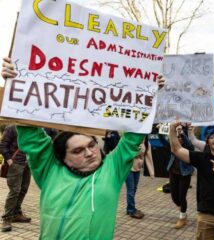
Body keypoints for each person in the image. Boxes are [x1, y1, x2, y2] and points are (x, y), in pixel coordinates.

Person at [1, 57, 161, 239]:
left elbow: (133, 135)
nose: (89, 152)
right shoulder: (49, 170)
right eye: (77, 151)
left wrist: (149, 92)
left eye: (91, 145)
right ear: (62, 158)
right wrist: (19, 80)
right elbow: (31, 136)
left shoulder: (112, 169)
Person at [159, 124, 195, 229]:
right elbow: (163, 141)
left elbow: (191, 146)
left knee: (182, 196)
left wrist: (182, 133)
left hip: (185, 174)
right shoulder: (172, 146)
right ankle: (183, 209)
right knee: (174, 197)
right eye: (177, 137)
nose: (178, 139)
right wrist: (160, 131)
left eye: (180, 138)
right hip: (173, 172)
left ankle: (182, 218)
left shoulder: (187, 147)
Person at [0, 125, 31, 232]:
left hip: (28, 163)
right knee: (14, 191)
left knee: (23, 189)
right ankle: (7, 218)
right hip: (15, 163)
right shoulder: (12, 127)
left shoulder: (32, 128)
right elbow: (3, 146)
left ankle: (16, 213)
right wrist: (10, 161)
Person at [125, 141, 146, 219]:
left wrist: (152, 173)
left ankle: (129, 208)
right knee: (131, 190)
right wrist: (138, 150)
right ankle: (131, 210)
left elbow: (145, 154)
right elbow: (130, 154)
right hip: (128, 169)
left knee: (134, 189)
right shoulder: (130, 141)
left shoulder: (144, 142)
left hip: (137, 168)